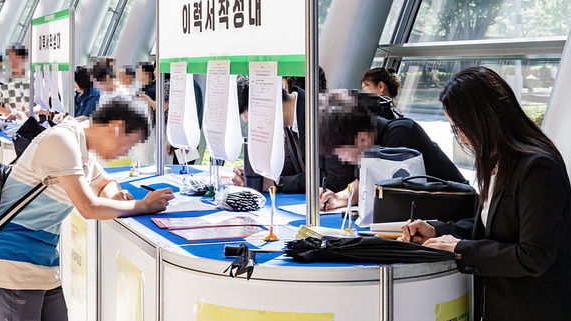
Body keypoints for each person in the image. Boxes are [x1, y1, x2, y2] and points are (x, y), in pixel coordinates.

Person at [0, 98, 173, 321]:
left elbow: (105, 182)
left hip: (40, 264)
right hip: (11, 263)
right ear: (116, 128)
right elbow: (89, 208)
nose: (126, 152)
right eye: (130, 143)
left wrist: (115, 196)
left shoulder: (79, 144)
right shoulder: (62, 141)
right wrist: (143, 205)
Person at [398, 67, 571, 321]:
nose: (462, 139)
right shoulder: (498, 162)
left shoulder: (538, 168)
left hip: (532, 309)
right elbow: (491, 229)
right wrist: (437, 230)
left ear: (484, 119)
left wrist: (461, 249)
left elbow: (534, 255)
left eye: (460, 128)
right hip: (501, 305)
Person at [318, 90, 466, 209]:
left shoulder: (401, 135)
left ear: (363, 138)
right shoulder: (367, 145)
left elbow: (403, 198)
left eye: (340, 151)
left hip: (455, 214)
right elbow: (361, 183)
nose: (340, 158)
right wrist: (339, 198)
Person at [232, 77, 356, 193]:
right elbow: (292, 166)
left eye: (254, 122)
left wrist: (278, 183)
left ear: (266, 106)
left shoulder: (325, 116)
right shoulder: (286, 120)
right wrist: (257, 176)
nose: (257, 129)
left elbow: (336, 180)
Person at [0, 44, 31, 117]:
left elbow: (44, 102)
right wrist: (8, 112)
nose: (12, 61)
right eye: (10, 58)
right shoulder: (1, 81)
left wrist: (33, 110)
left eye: (16, 57)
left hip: (35, 120)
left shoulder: (34, 78)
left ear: (24, 58)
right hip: (12, 122)